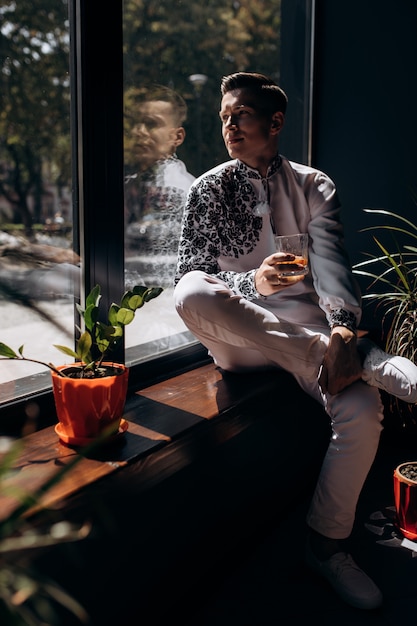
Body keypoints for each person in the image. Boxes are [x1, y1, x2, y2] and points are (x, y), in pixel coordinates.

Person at [173, 71, 417, 610]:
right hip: (241, 335)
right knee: (191, 292)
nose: (229, 126)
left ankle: (326, 546)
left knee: (361, 409)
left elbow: (332, 269)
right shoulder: (208, 188)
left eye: (241, 115)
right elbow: (191, 275)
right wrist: (254, 282)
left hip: (311, 331)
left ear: (275, 122)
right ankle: (375, 363)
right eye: (223, 118)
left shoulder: (314, 185)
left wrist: (339, 331)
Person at [124, 84, 195, 286]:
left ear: (177, 137)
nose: (139, 132)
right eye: (135, 124)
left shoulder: (186, 189)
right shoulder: (131, 184)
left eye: (151, 124)